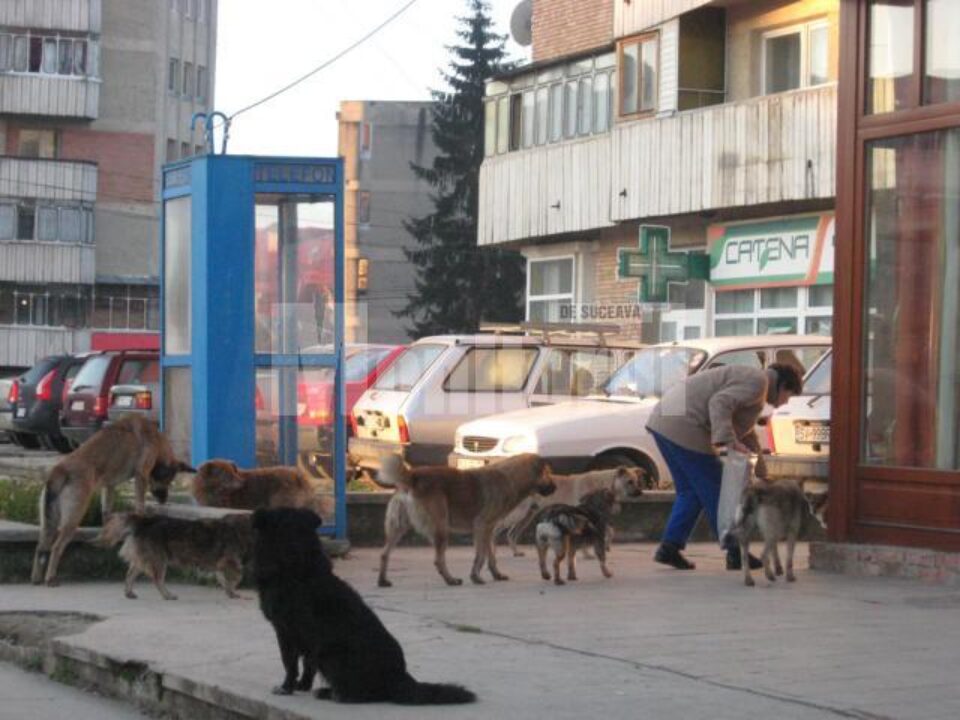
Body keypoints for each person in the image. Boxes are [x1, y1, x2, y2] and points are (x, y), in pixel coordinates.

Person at [646, 362, 804, 571]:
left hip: (664, 420)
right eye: (789, 396)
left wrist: (761, 465)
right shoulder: (758, 383)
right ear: (783, 385)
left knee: (690, 492)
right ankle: (735, 551)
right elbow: (719, 403)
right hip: (684, 425)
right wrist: (728, 441)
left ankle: (670, 547)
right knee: (720, 492)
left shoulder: (753, 380)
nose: (784, 403)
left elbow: (744, 429)